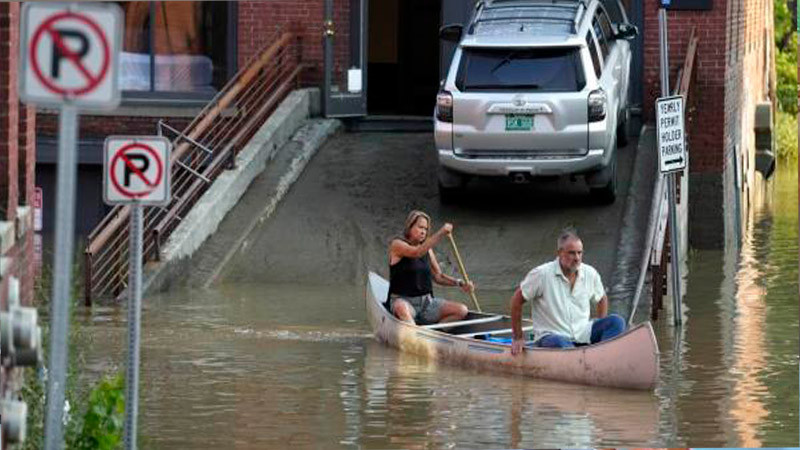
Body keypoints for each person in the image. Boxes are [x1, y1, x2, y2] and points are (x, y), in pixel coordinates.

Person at [509, 229, 626, 355]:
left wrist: (600, 323)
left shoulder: (590, 273)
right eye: (572, 253)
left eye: (579, 253)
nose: (577, 258)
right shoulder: (542, 274)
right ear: (559, 253)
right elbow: (516, 300)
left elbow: (601, 298)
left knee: (617, 322)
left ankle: (602, 355)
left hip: (583, 333)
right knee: (560, 343)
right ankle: (587, 358)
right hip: (552, 336)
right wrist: (518, 337)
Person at [387, 210, 474, 325]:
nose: (423, 232)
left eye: (426, 229)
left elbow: (438, 277)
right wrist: (441, 232)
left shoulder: (428, 250)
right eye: (420, 227)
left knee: (462, 311)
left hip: (427, 303)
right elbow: (416, 252)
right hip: (403, 301)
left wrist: (460, 283)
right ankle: (414, 336)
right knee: (401, 308)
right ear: (410, 227)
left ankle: (437, 333)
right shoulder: (397, 244)